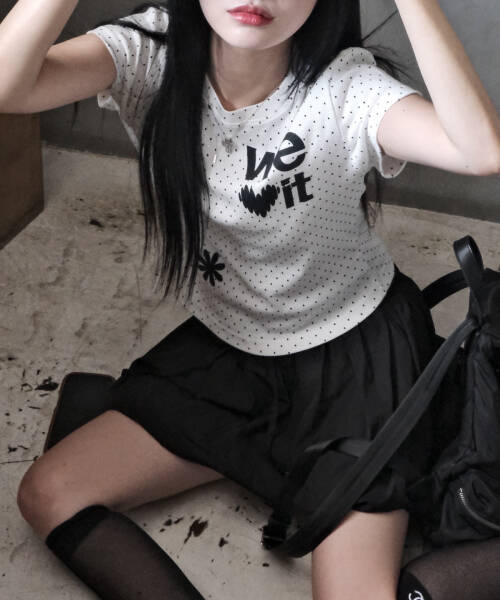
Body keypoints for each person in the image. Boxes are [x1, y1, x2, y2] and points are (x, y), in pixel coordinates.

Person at [2, 1, 499, 598]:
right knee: (49, 492)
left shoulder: (346, 88)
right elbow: (9, 87)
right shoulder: (151, 54)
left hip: (355, 360)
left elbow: (481, 152)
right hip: (233, 347)